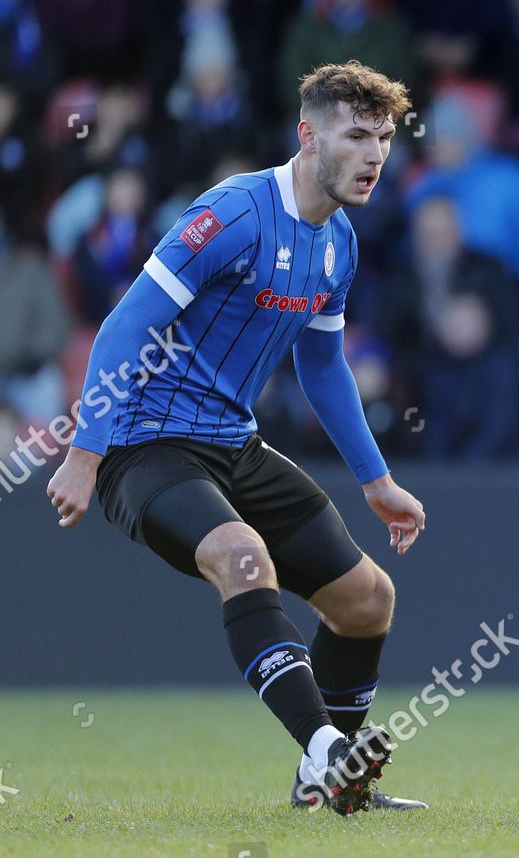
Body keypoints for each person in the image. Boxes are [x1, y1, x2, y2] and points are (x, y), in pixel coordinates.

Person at [44, 61, 428, 815]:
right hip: (143, 443)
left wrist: (376, 478)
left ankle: (330, 783)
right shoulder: (234, 212)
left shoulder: (339, 243)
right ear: (307, 134)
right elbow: (127, 325)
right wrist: (84, 452)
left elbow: (322, 365)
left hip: (232, 443)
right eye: (356, 134)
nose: (375, 154)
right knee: (241, 555)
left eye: (383, 137)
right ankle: (328, 754)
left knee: (367, 599)